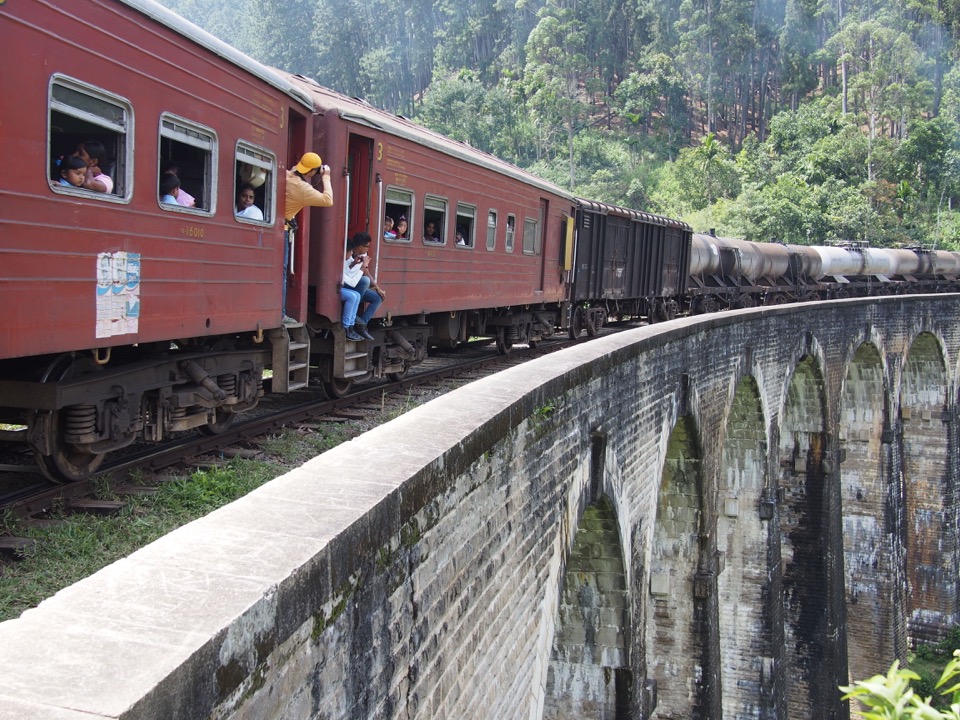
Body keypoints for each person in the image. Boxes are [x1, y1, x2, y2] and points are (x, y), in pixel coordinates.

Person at [283, 152, 333, 323]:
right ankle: (281, 313)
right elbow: (328, 200)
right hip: (282, 230)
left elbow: (296, 170)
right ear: (312, 172)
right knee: (282, 272)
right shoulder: (303, 189)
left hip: (276, 226)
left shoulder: (288, 174)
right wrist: (325, 177)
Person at [341, 232, 384, 341]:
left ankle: (361, 324)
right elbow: (352, 281)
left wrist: (378, 288)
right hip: (348, 285)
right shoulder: (346, 258)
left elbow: (365, 272)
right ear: (360, 247)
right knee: (363, 282)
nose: (368, 249)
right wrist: (361, 266)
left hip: (353, 285)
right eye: (367, 246)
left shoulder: (357, 257)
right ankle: (352, 320)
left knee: (377, 298)